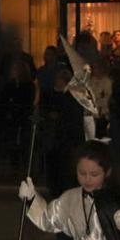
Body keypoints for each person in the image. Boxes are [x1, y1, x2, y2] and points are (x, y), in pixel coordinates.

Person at [42, 68, 87, 199]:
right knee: (58, 168)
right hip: (60, 140)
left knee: (66, 170)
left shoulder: (72, 97)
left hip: (68, 140)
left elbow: (72, 119)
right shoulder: (57, 95)